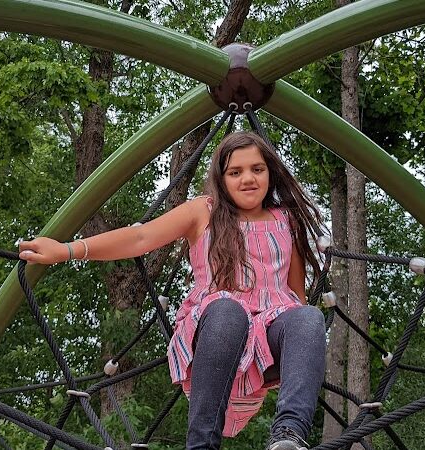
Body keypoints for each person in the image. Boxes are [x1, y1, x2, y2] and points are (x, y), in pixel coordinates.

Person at [19, 131, 327, 450]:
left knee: (308, 317)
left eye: (257, 169)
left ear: (270, 172)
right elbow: (140, 239)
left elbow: (295, 299)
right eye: (236, 172)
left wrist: (301, 350)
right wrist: (67, 250)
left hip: (265, 350)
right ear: (221, 179)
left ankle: (289, 436)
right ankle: (201, 445)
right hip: (216, 338)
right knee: (227, 311)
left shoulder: (286, 220)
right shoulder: (202, 212)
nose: (248, 179)